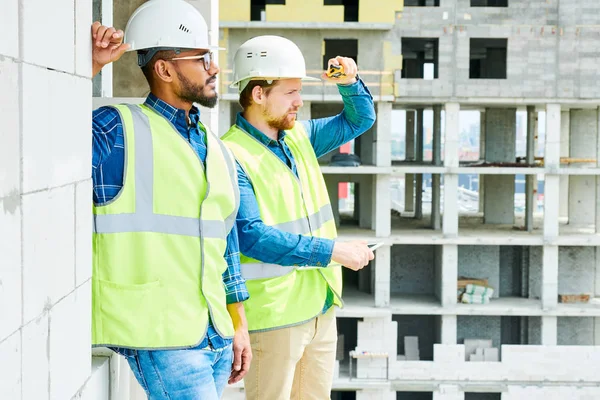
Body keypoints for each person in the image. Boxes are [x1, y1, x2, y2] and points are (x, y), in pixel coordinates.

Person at [90, 1, 251, 398]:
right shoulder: (117, 129)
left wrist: (238, 324)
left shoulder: (214, 146)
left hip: (214, 334)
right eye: (202, 59)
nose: (213, 68)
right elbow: (49, 147)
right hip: (161, 334)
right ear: (164, 69)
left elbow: (225, 242)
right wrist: (89, 69)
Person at [221, 35, 376, 400]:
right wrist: (333, 251)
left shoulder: (299, 137)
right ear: (258, 94)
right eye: (290, 92)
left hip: (319, 305)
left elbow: (360, 119)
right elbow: (252, 238)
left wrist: (350, 83)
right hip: (274, 318)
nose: (299, 101)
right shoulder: (231, 154)